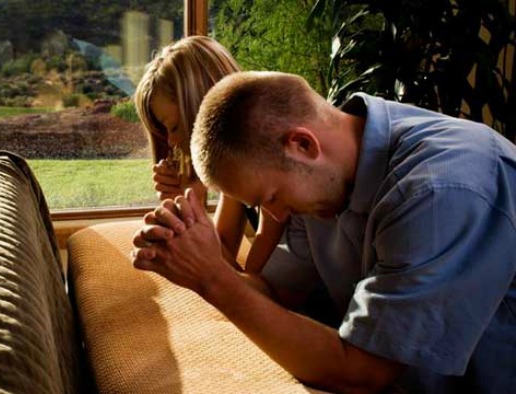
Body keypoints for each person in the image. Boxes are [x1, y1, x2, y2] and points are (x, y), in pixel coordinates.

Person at [131, 71, 516, 393]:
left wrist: (213, 279)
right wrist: (193, 257)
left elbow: (364, 372)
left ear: (302, 144)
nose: (275, 214)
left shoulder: (440, 190)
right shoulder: (326, 177)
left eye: (273, 197)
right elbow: (278, 291)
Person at [133, 36, 284, 273]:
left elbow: (253, 287)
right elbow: (222, 249)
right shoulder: (237, 165)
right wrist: (186, 205)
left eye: (173, 127)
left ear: (202, 112)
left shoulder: (270, 170)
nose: (171, 142)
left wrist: (189, 217)